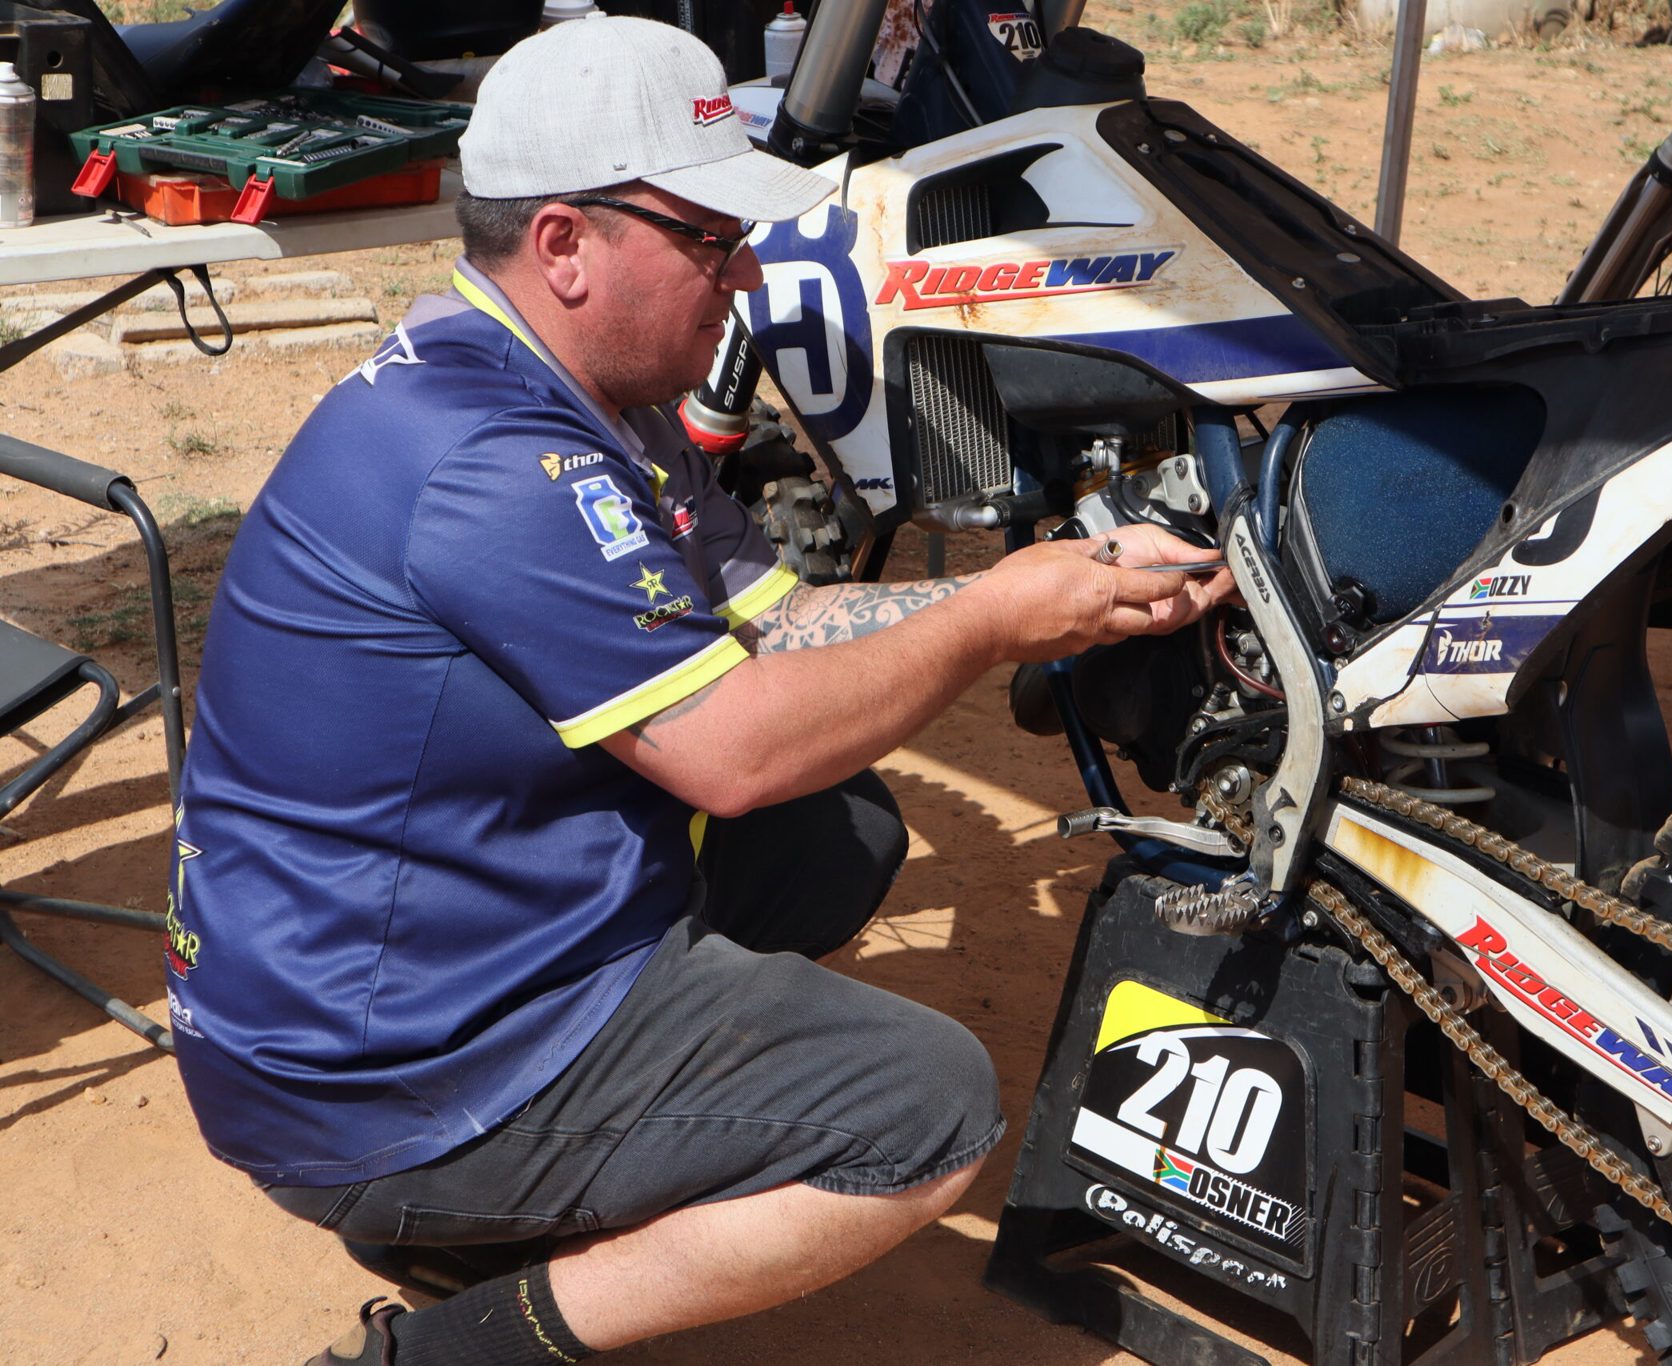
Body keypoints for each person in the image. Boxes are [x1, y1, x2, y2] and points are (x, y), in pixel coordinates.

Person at [161, 16, 1232, 1366]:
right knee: (927, 1110)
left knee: (835, 832)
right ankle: (442, 1343)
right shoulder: (492, 460)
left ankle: (528, 1200)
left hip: (406, 960)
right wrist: (987, 623)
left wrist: (1041, 584)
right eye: (711, 240)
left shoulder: (588, 394)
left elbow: (776, 619)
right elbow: (732, 752)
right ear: (564, 244)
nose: (747, 273)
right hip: (363, 1067)